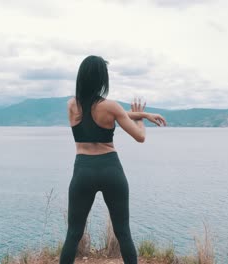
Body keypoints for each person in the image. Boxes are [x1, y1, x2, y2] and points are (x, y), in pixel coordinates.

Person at [59, 55, 166, 264]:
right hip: (111, 170)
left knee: (73, 234)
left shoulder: (72, 105)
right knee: (123, 232)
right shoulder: (111, 107)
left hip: (83, 171)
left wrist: (143, 113)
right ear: (102, 80)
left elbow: (105, 112)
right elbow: (139, 136)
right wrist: (142, 119)